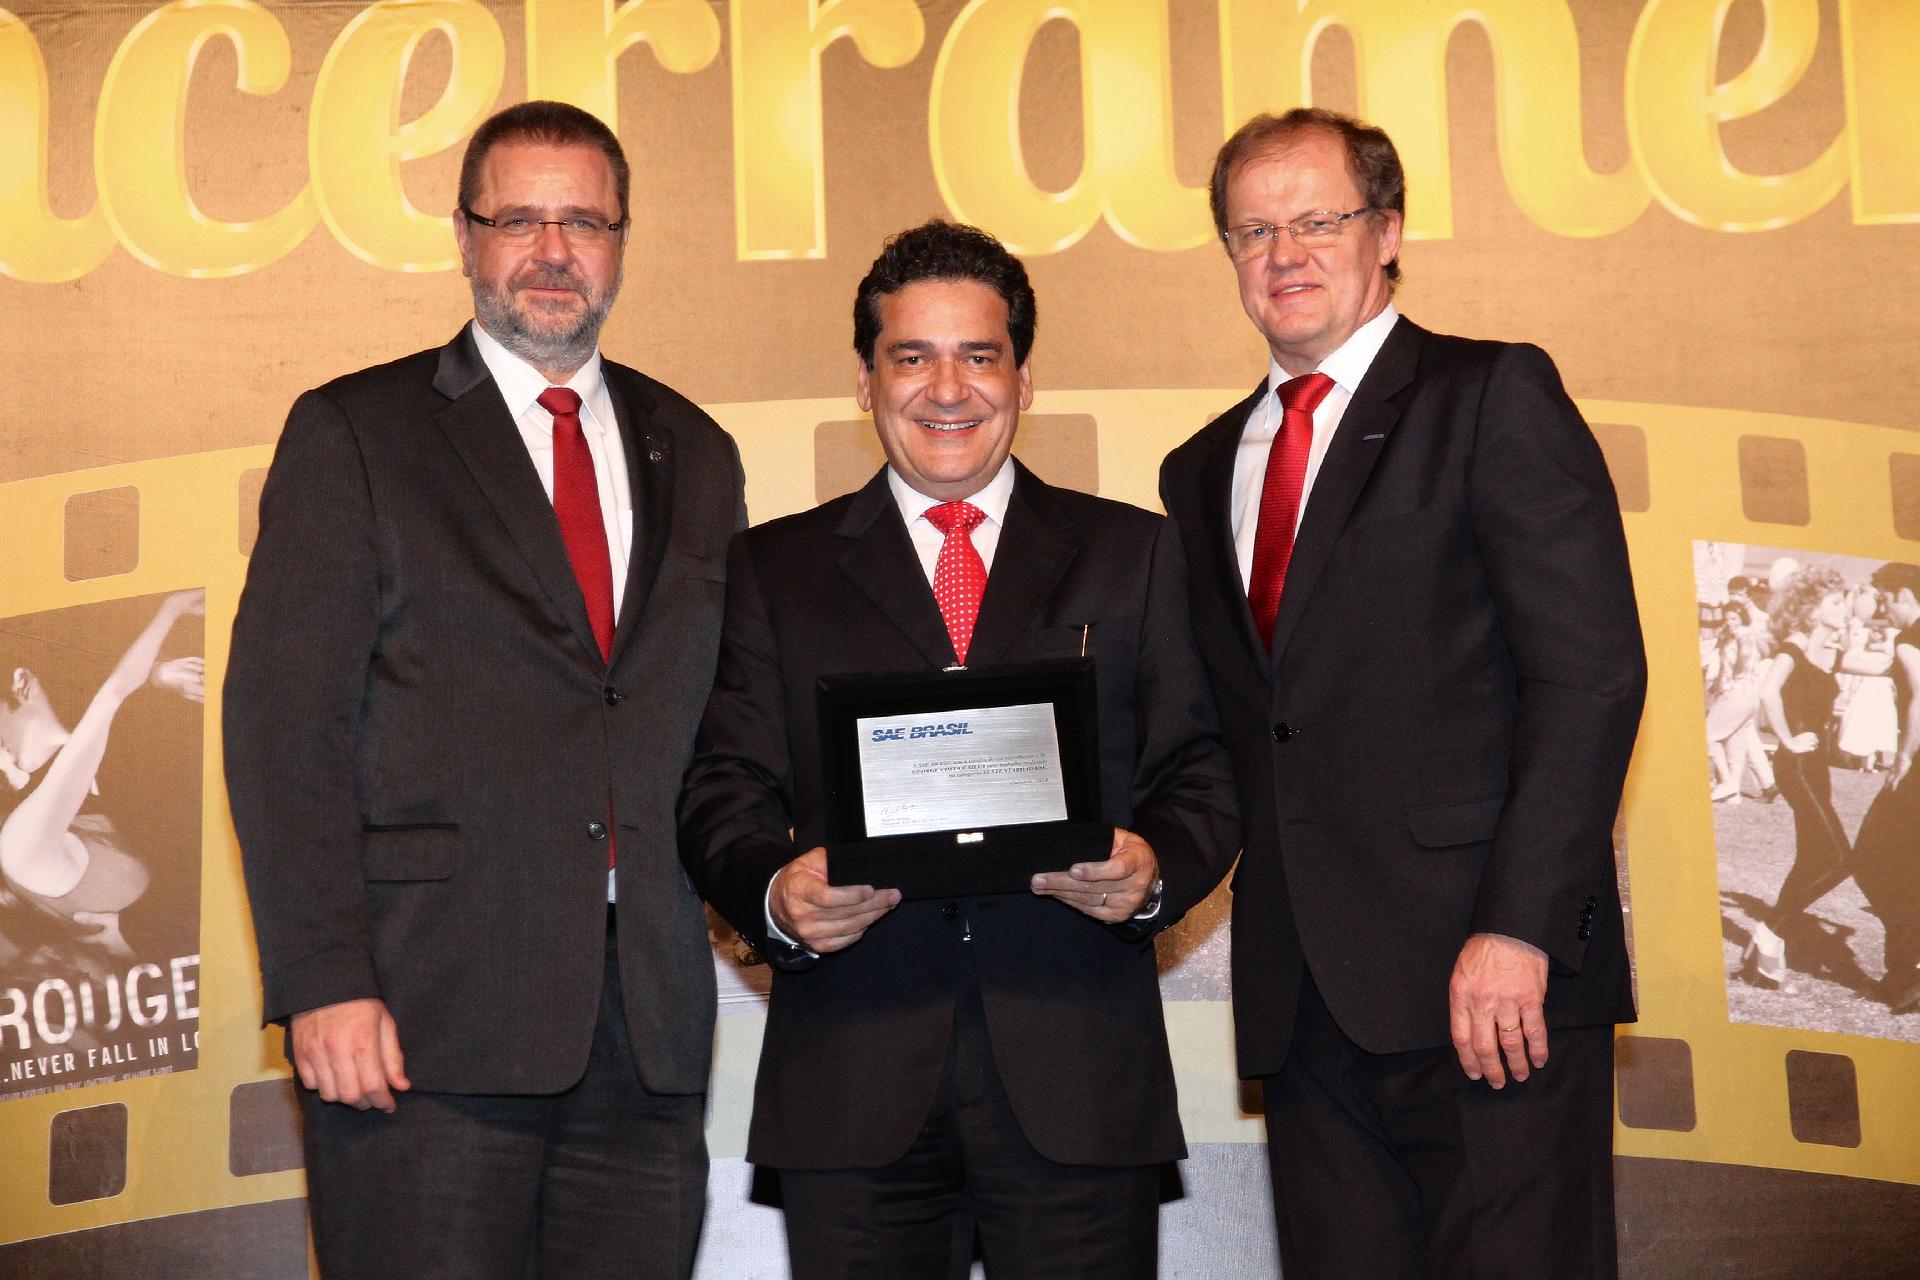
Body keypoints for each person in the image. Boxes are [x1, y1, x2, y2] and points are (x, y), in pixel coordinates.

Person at [224, 101, 744, 1280]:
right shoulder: (358, 432)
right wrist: (325, 979)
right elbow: (284, 728)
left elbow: (720, 725)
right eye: (520, 221)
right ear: (464, 237)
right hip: (420, 1023)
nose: (552, 251)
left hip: (647, 1029)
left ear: (621, 242)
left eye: (583, 222)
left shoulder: (697, 451)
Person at [678, 221, 1236, 1279]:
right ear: (866, 381)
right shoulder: (774, 570)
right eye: (912, 356)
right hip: (853, 1076)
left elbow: (1199, 769)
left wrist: (1155, 867)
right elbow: (723, 785)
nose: (948, 388)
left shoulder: (1133, 554)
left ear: (1024, 379)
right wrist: (774, 891)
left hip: (1078, 1072)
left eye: (980, 355)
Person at [1158, 108, 1646, 1279]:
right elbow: (1223, 736)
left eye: (1317, 221)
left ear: (1387, 231)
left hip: (1492, 981)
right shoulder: (1199, 468)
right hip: (1306, 1008)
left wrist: (1520, 925)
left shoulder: (1490, 395)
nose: (1284, 254)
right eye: (1253, 231)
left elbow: (1588, 675)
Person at [2, 590, 204, 969]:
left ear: (21, 683)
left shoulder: (130, 747)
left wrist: (158, 672)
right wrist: (170, 611)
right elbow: (111, 693)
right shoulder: (20, 839)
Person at [1746, 566, 1888, 988]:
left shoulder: (1832, 653)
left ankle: (1767, 947)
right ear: (1810, 607)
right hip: (1796, 766)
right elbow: (1767, 691)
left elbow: (1884, 665)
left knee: (1811, 857)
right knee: (1840, 859)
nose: (1844, 608)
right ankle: (1770, 930)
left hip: (1817, 768)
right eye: (1835, 602)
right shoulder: (1795, 646)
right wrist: (1787, 740)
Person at [1857, 562, 1920, 1010]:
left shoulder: (1909, 638)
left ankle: (1905, 973)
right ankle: (1904, 971)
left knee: (1870, 859)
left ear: (1903, 596)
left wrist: (1904, 757)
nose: (1884, 609)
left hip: (1916, 765)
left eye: (1885, 599)